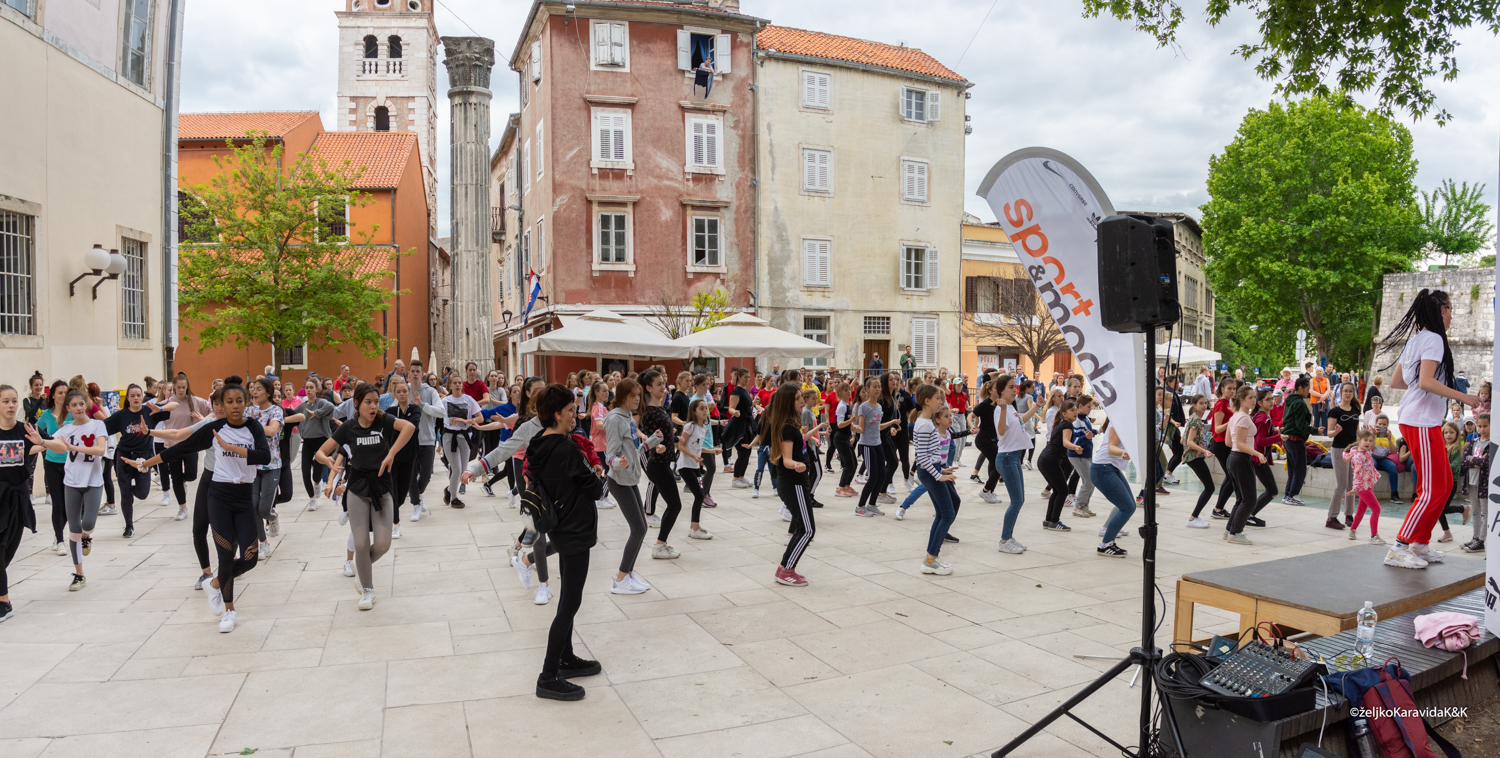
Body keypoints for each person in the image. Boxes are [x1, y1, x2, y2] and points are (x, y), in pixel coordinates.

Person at [128, 383, 270, 633]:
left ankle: (214, 583)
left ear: (246, 402)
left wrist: (230, 448)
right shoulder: (214, 427)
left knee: (250, 559)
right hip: (219, 497)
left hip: (244, 498)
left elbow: (264, 456)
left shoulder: (254, 427)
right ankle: (229, 610)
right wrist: (145, 463)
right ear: (222, 405)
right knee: (225, 557)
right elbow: (180, 448)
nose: (235, 406)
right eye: (229, 401)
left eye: (239, 401)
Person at [517, 385, 607, 702]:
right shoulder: (567, 449)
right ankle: (549, 674)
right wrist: (600, 469)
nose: (575, 414)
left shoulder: (538, 444)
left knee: (568, 597)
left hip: (559, 526)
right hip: (575, 530)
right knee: (570, 603)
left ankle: (566, 659)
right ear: (557, 414)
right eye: (570, 409)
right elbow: (596, 489)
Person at [1380, 289, 1480, 569]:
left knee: (1443, 485)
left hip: (1419, 420)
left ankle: (1420, 544)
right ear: (1443, 311)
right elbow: (1424, 382)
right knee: (1433, 489)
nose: (1452, 316)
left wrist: (1426, 388)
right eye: (1450, 309)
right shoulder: (1435, 339)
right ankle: (1400, 547)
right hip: (1422, 422)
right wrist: (1464, 397)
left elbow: (1399, 382)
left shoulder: (1416, 340)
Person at [315, 382, 413, 610]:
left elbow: (408, 428)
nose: (373, 406)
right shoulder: (348, 428)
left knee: (382, 545)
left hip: (383, 488)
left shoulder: (384, 421)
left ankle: (362, 570)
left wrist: (390, 454)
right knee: (360, 544)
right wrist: (326, 460)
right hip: (357, 489)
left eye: (376, 402)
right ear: (356, 404)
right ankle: (367, 590)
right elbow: (322, 451)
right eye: (368, 402)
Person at [25, 389, 108, 592]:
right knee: (73, 530)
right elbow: (45, 446)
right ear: (68, 408)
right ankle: (79, 574)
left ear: (86, 405)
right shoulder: (65, 430)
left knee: (87, 523)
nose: (78, 408)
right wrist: (27, 447)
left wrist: (73, 448)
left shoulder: (98, 425)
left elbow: (100, 450)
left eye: (81, 404)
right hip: (71, 483)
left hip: (93, 482)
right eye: (74, 405)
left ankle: (88, 536)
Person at [603, 378, 654, 595]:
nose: (637, 399)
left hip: (630, 478)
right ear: (623, 396)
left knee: (641, 527)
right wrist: (617, 462)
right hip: (619, 481)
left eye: (638, 395)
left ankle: (629, 575)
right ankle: (621, 578)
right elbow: (610, 455)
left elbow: (635, 449)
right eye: (633, 395)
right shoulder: (615, 419)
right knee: (639, 528)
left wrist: (653, 442)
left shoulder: (628, 418)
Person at [765, 384, 816, 587]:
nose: (801, 400)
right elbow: (786, 459)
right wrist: (795, 464)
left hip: (796, 483)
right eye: (797, 398)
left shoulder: (791, 424)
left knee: (800, 527)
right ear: (788, 402)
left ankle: (784, 567)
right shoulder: (787, 427)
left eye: (801, 397)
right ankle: (786, 571)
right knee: (807, 530)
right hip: (793, 483)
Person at [908, 385, 959, 574]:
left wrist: (943, 470)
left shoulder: (926, 422)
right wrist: (938, 476)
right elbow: (921, 457)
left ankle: (931, 558)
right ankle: (930, 560)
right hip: (930, 474)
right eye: (938, 398)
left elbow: (930, 454)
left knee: (943, 513)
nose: (942, 402)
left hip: (935, 471)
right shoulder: (924, 424)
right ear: (927, 401)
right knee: (947, 514)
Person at [994, 374, 1042, 554]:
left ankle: (1009, 537)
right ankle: (1004, 540)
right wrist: (1004, 409)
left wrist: (1038, 405)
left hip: (1013, 457)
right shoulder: (1000, 410)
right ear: (1001, 390)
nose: (1015, 390)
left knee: (1019, 499)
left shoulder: (1011, 408)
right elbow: (1000, 432)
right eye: (1011, 387)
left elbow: (1021, 420)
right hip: (1007, 458)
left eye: (1015, 387)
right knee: (1016, 501)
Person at [0, 385, 33, 622]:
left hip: (18, 499)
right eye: (5, 401)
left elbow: (60, 446)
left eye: (14, 401)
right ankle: (5, 601)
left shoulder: (25, 430)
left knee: (7, 553)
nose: (11, 405)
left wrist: (43, 441)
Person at [1088, 419, 1134, 557]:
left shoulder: (1130, 424)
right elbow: (1111, 447)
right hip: (1103, 468)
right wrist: (1122, 452)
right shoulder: (1119, 423)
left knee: (1129, 506)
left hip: (1111, 468)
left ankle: (1107, 537)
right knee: (1127, 507)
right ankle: (1105, 544)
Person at [675, 399, 719, 541]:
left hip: (694, 466)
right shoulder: (689, 426)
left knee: (699, 495)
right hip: (685, 465)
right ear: (694, 411)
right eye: (701, 408)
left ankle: (694, 527)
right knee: (699, 496)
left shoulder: (703, 428)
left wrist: (712, 451)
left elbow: (698, 447)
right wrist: (693, 456)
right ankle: (695, 528)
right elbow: (680, 446)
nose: (705, 411)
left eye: (706, 408)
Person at [1223, 386, 1262, 545]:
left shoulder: (1235, 416)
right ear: (1241, 400)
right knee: (1249, 500)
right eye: (1250, 398)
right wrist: (1257, 453)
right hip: (1240, 459)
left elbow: (1228, 442)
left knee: (1242, 498)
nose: (1254, 400)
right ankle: (1235, 532)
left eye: (1254, 397)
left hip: (1234, 458)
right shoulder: (1244, 418)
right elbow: (1238, 443)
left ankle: (1230, 530)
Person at [1037, 399, 1081, 532]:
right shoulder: (1067, 425)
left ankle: (1049, 520)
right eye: (1072, 410)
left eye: (1075, 410)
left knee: (1058, 490)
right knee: (1063, 490)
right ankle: (1054, 521)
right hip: (1050, 461)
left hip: (1044, 459)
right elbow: (1066, 442)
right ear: (1064, 414)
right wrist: (1075, 447)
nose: (1075, 412)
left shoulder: (1060, 425)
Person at [1324, 381, 1362, 530]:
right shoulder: (1335, 411)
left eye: (1350, 391)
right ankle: (1331, 517)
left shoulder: (1356, 410)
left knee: (1352, 484)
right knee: (1341, 484)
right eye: (1345, 391)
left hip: (1353, 449)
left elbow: (1356, 430)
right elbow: (1329, 433)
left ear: (1353, 393)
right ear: (1340, 392)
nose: (1347, 393)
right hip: (1340, 449)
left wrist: (1364, 436)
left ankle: (1349, 515)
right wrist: (1336, 431)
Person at [440, 375, 482, 508]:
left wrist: (470, 421)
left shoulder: (469, 400)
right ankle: (454, 498)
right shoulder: (445, 401)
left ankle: (448, 490)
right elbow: (436, 414)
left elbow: (480, 417)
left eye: (459, 383)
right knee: (456, 469)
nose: (457, 385)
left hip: (465, 436)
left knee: (463, 470)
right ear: (450, 385)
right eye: (454, 383)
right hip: (449, 436)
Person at [1180, 394, 1218, 528]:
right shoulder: (1196, 420)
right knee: (1210, 487)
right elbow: (1189, 442)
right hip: (1194, 457)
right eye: (1201, 403)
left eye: (1205, 403)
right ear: (1194, 405)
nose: (1204, 406)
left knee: (1209, 487)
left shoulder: (1193, 419)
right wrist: (1204, 451)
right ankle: (1192, 518)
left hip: (1192, 457)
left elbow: (1182, 440)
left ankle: (1193, 517)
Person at [1345, 428, 1386, 544]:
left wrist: (1373, 430)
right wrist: (1355, 488)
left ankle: (1352, 531)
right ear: (1359, 440)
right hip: (1363, 487)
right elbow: (1357, 474)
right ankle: (1374, 536)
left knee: (1361, 510)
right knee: (1376, 509)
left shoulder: (1366, 452)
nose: (1368, 443)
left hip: (1368, 485)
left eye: (1370, 440)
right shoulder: (1358, 456)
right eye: (1366, 440)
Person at [1279, 377, 1316, 506]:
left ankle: (1288, 494)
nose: (1308, 392)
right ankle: (1292, 495)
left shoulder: (1290, 400)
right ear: (1300, 388)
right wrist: (1316, 431)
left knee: (1292, 468)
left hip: (1288, 439)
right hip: (1296, 439)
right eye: (1307, 389)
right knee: (1299, 469)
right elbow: (1301, 424)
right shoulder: (1299, 403)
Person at [1460, 414, 1490, 553]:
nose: (1482, 429)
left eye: (1485, 426)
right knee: (1476, 511)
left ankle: (1482, 540)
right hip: (1471, 481)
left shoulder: (1491, 444)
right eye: (1480, 426)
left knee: (1485, 511)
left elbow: (1486, 462)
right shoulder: (1473, 442)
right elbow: (1464, 461)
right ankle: (1475, 537)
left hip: (1483, 482)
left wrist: (1472, 459)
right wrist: (1474, 460)